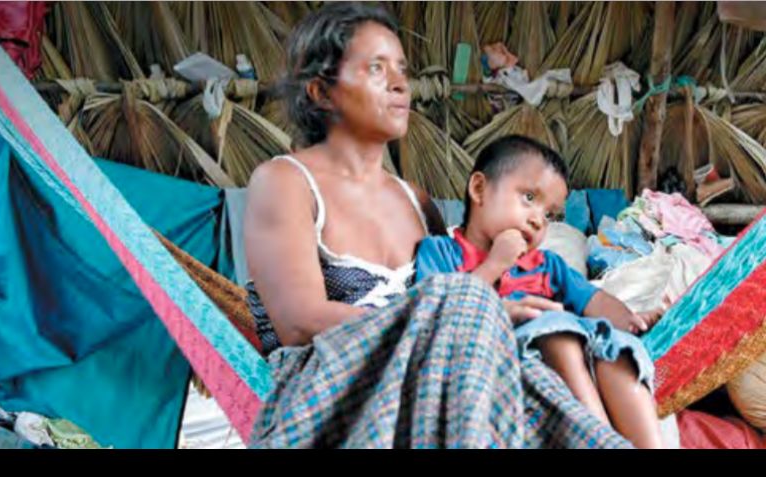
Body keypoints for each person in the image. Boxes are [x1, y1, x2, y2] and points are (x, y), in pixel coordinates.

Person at [243, 2, 630, 449]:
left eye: (402, 69)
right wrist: (460, 315)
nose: (400, 83)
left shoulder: (414, 199)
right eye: (376, 68)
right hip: (332, 386)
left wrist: (474, 318)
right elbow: (299, 322)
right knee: (467, 300)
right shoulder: (285, 181)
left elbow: (454, 294)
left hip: (432, 382)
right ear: (321, 92)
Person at [415, 135, 665, 448]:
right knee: (555, 328)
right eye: (529, 197)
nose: (538, 219)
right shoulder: (440, 253)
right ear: (479, 189)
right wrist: (495, 264)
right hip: (512, 356)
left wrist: (631, 319)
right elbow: (433, 315)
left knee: (618, 350)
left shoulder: (548, 265)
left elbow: (594, 301)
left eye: (550, 214)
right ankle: (600, 440)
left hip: (568, 347)